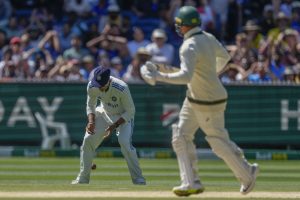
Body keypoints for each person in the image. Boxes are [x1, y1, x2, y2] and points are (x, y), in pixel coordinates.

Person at [140, 6, 259, 196]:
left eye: (179, 24)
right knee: (180, 135)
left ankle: (247, 174)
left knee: (218, 141)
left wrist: (158, 76)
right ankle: (191, 182)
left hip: (207, 100)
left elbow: (186, 76)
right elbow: (225, 57)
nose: (177, 28)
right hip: (196, 96)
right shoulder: (208, 37)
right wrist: (209, 74)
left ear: (185, 26)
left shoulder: (188, 46)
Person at [72, 66, 146, 185]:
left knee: (124, 142)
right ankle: (83, 179)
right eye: (97, 84)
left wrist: (114, 125)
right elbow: (90, 105)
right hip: (104, 112)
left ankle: (138, 178)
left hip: (122, 117)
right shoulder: (92, 86)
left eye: (102, 85)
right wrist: (91, 122)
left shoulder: (121, 87)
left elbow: (130, 111)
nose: (99, 87)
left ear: (108, 81)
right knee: (88, 140)